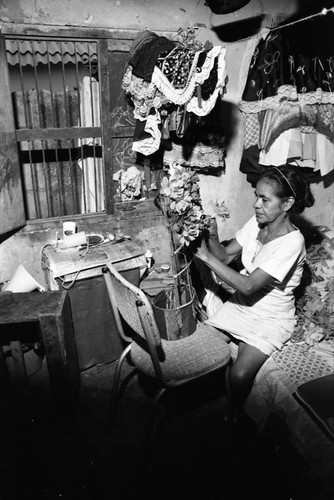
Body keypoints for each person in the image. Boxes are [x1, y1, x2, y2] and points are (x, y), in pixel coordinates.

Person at [193, 165, 315, 420]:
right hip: (242, 305)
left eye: (265, 199)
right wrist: (213, 236)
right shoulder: (258, 222)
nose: (256, 205)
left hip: (270, 317)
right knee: (199, 346)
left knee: (239, 374)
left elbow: (249, 284)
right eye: (256, 196)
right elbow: (225, 256)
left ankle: (234, 414)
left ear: (287, 203)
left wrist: (204, 256)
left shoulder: (293, 241)